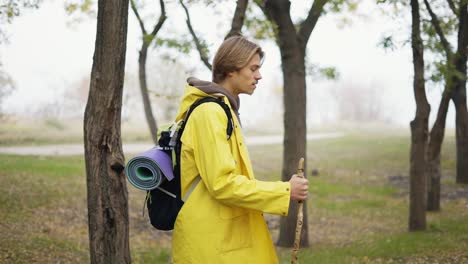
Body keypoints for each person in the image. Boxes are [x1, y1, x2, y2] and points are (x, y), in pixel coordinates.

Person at [171, 35, 309, 264]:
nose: (259, 76)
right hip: (211, 243)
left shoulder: (225, 109)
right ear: (231, 70)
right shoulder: (210, 113)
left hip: (224, 237)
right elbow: (222, 184)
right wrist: (285, 191)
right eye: (253, 68)